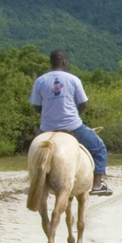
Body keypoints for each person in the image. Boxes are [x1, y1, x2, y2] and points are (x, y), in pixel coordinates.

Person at [30, 50, 112, 196]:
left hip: (46, 127)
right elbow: (83, 104)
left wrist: (49, 116)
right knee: (99, 149)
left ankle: (34, 181)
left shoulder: (40, 81)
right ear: (64, 62)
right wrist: (74, 114)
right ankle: (97, 185)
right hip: (73, 126)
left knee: (33, 150)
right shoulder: (73, 79)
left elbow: (37, 107)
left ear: (52, 62)